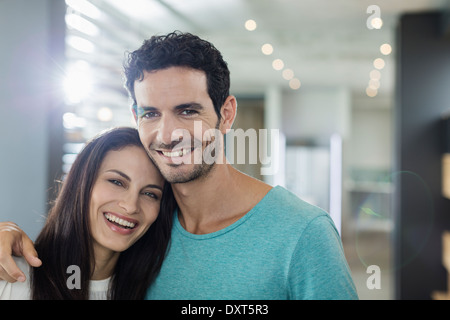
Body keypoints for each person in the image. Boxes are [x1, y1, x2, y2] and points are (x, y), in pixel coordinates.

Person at [0, 31, 358, 299]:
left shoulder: (302, 233)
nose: (168, 133)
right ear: (135, 117)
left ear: (226, 114)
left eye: (188, 111)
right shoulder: (140, 227)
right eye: (151, 113)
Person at [0, 127, 175, 299]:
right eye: (116, 182)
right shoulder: (11, 277)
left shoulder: (153, 291)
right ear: (81, 183)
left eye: (150, 194)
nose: (131, 206)